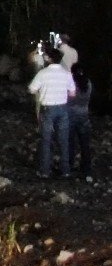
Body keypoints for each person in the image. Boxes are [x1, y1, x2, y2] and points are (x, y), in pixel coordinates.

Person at [27, 46, 76, 179]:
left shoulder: (43, 73)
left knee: (46, 140)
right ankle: (65, 170)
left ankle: (45, 171)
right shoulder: (66, 73)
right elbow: (72, 92)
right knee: (63, 140)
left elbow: (31, 89)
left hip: (48, 109)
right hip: (63, 109)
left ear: (49, 59)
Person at [68, 62, 93, 181]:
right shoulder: (88, 83)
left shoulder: (71, 84)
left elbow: (68, 99)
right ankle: (86, 169)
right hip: (84, 116)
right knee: (85, 145)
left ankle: (69, 166)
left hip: (71, 116)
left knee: (70, 143)